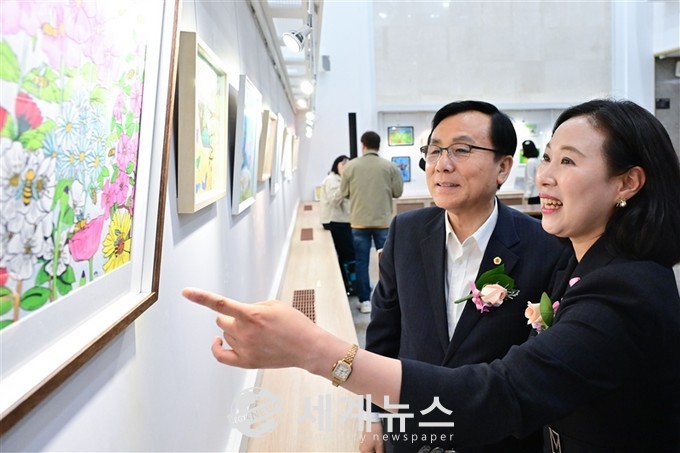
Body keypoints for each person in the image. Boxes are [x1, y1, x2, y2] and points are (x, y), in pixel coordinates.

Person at [183, 99, 680, 452]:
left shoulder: (611, 282)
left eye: (567, 161)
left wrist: (315, 350)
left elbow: (506, 390)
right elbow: (387, 332)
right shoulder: (576, 259)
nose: (545, 174)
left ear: (627, 182)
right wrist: (379, 417)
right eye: (547, 156)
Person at [363, 101, 569, 453]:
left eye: (461, 150)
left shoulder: (546, 247)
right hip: (414, 431)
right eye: (434, 150)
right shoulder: (405, 233)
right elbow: (383, 335)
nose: (442, 164)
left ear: (503, 167)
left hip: (496, 439)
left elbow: (539, 366)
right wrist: (373, 417)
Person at [340, 131, 403, 313]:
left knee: (361, 262)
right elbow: (398, 192)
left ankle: (365, 300)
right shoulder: (390, 167)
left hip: (359, 222)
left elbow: (344, 193)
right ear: (379, 145)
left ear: (363, 145)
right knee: (387, 262)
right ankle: (389, 300)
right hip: (383, 222)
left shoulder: (350, 167)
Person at [320, 155, 356, 295]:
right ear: (337, 165)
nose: (346, 168)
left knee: (348, 253)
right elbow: (334, 200)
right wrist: (345, 183)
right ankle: (350, 285)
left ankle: (350, 283)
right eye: (343, 165)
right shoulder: (332, 180)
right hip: (335, 222)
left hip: (343, 221)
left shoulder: (341, 180)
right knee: (347, 254)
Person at [522, 139, 540, 204]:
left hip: (533, 195)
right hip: (538, 193)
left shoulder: (530, 162)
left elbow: (530, 180)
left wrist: (527, 194)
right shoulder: (538, 161)